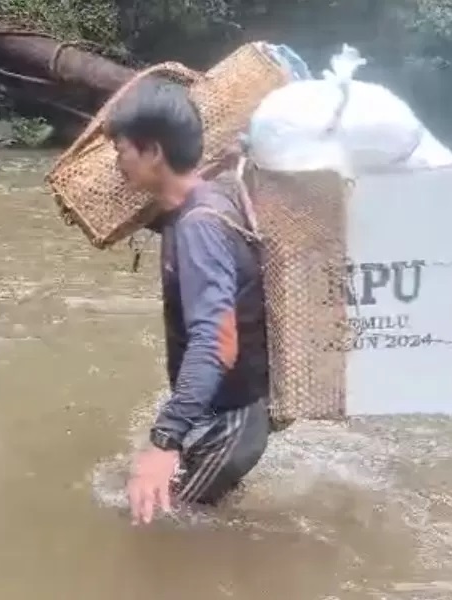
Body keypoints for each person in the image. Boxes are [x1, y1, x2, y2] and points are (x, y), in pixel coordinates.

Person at [108, 77, 271, 525]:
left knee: (148, 524)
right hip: (226, 415)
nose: (117, 163)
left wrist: (165, 441)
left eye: (122, 150)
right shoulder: (208, 197)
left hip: (228, 427)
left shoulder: (199, 226)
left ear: (154, 152)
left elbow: (216, 343)